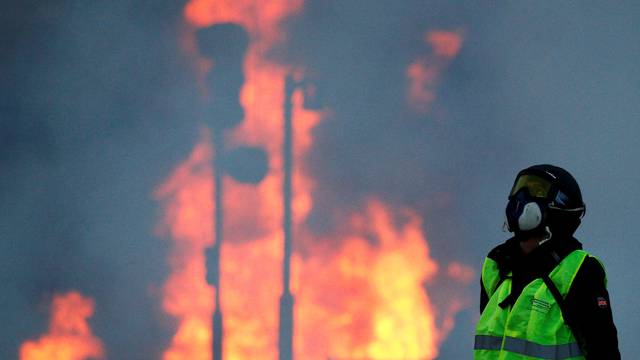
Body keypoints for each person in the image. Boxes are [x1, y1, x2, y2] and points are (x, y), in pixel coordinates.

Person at [474, 164, 620, 359]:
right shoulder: (496, 266)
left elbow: (604, 352)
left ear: (561, 207)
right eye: (519, 188)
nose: (520, 197)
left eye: (537, 190)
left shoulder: (581, 271)